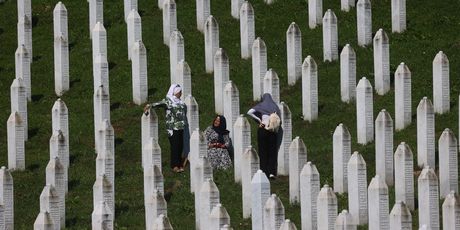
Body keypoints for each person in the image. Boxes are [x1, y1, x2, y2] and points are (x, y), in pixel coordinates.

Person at [144, 84, 188, 173]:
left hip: (181, 127)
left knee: (180, 146)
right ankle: (174, 165)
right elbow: (158, 104)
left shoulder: (180, 102)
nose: (181, 93)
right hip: (172, 128)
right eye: (180, 92)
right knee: (175, 146)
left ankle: (180, 164)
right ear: (175, 92)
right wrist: (149, 106)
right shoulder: (168, 101)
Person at [247, 93, 282, 179]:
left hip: (263, 129)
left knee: (263, 151)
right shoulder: (275, 107)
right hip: (272, 131)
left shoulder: (262, 105)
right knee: (272, 151)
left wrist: (259, 120)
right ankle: (272, 172)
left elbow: (249, 112)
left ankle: (264, 171)